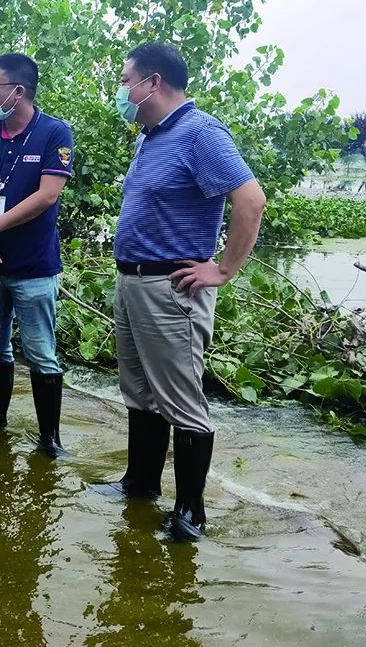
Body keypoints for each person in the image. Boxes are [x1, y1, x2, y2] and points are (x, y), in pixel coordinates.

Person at [97, 42, 266, 543]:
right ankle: (140, 485)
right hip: (133, 280)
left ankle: (190, 514)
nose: (122, 89)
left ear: (154, 82)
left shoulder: (200, 132)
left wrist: (223, 269)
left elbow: (250, 200)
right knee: (140, 392)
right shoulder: (150, 136)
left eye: (127, 80)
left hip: (171, 286)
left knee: (181, 400)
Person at [0, 53, 74, 458]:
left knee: (41, 350)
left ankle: (50, 440)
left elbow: (48, 194)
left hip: (33, 266)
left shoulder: (53, 133)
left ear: (18, 91)